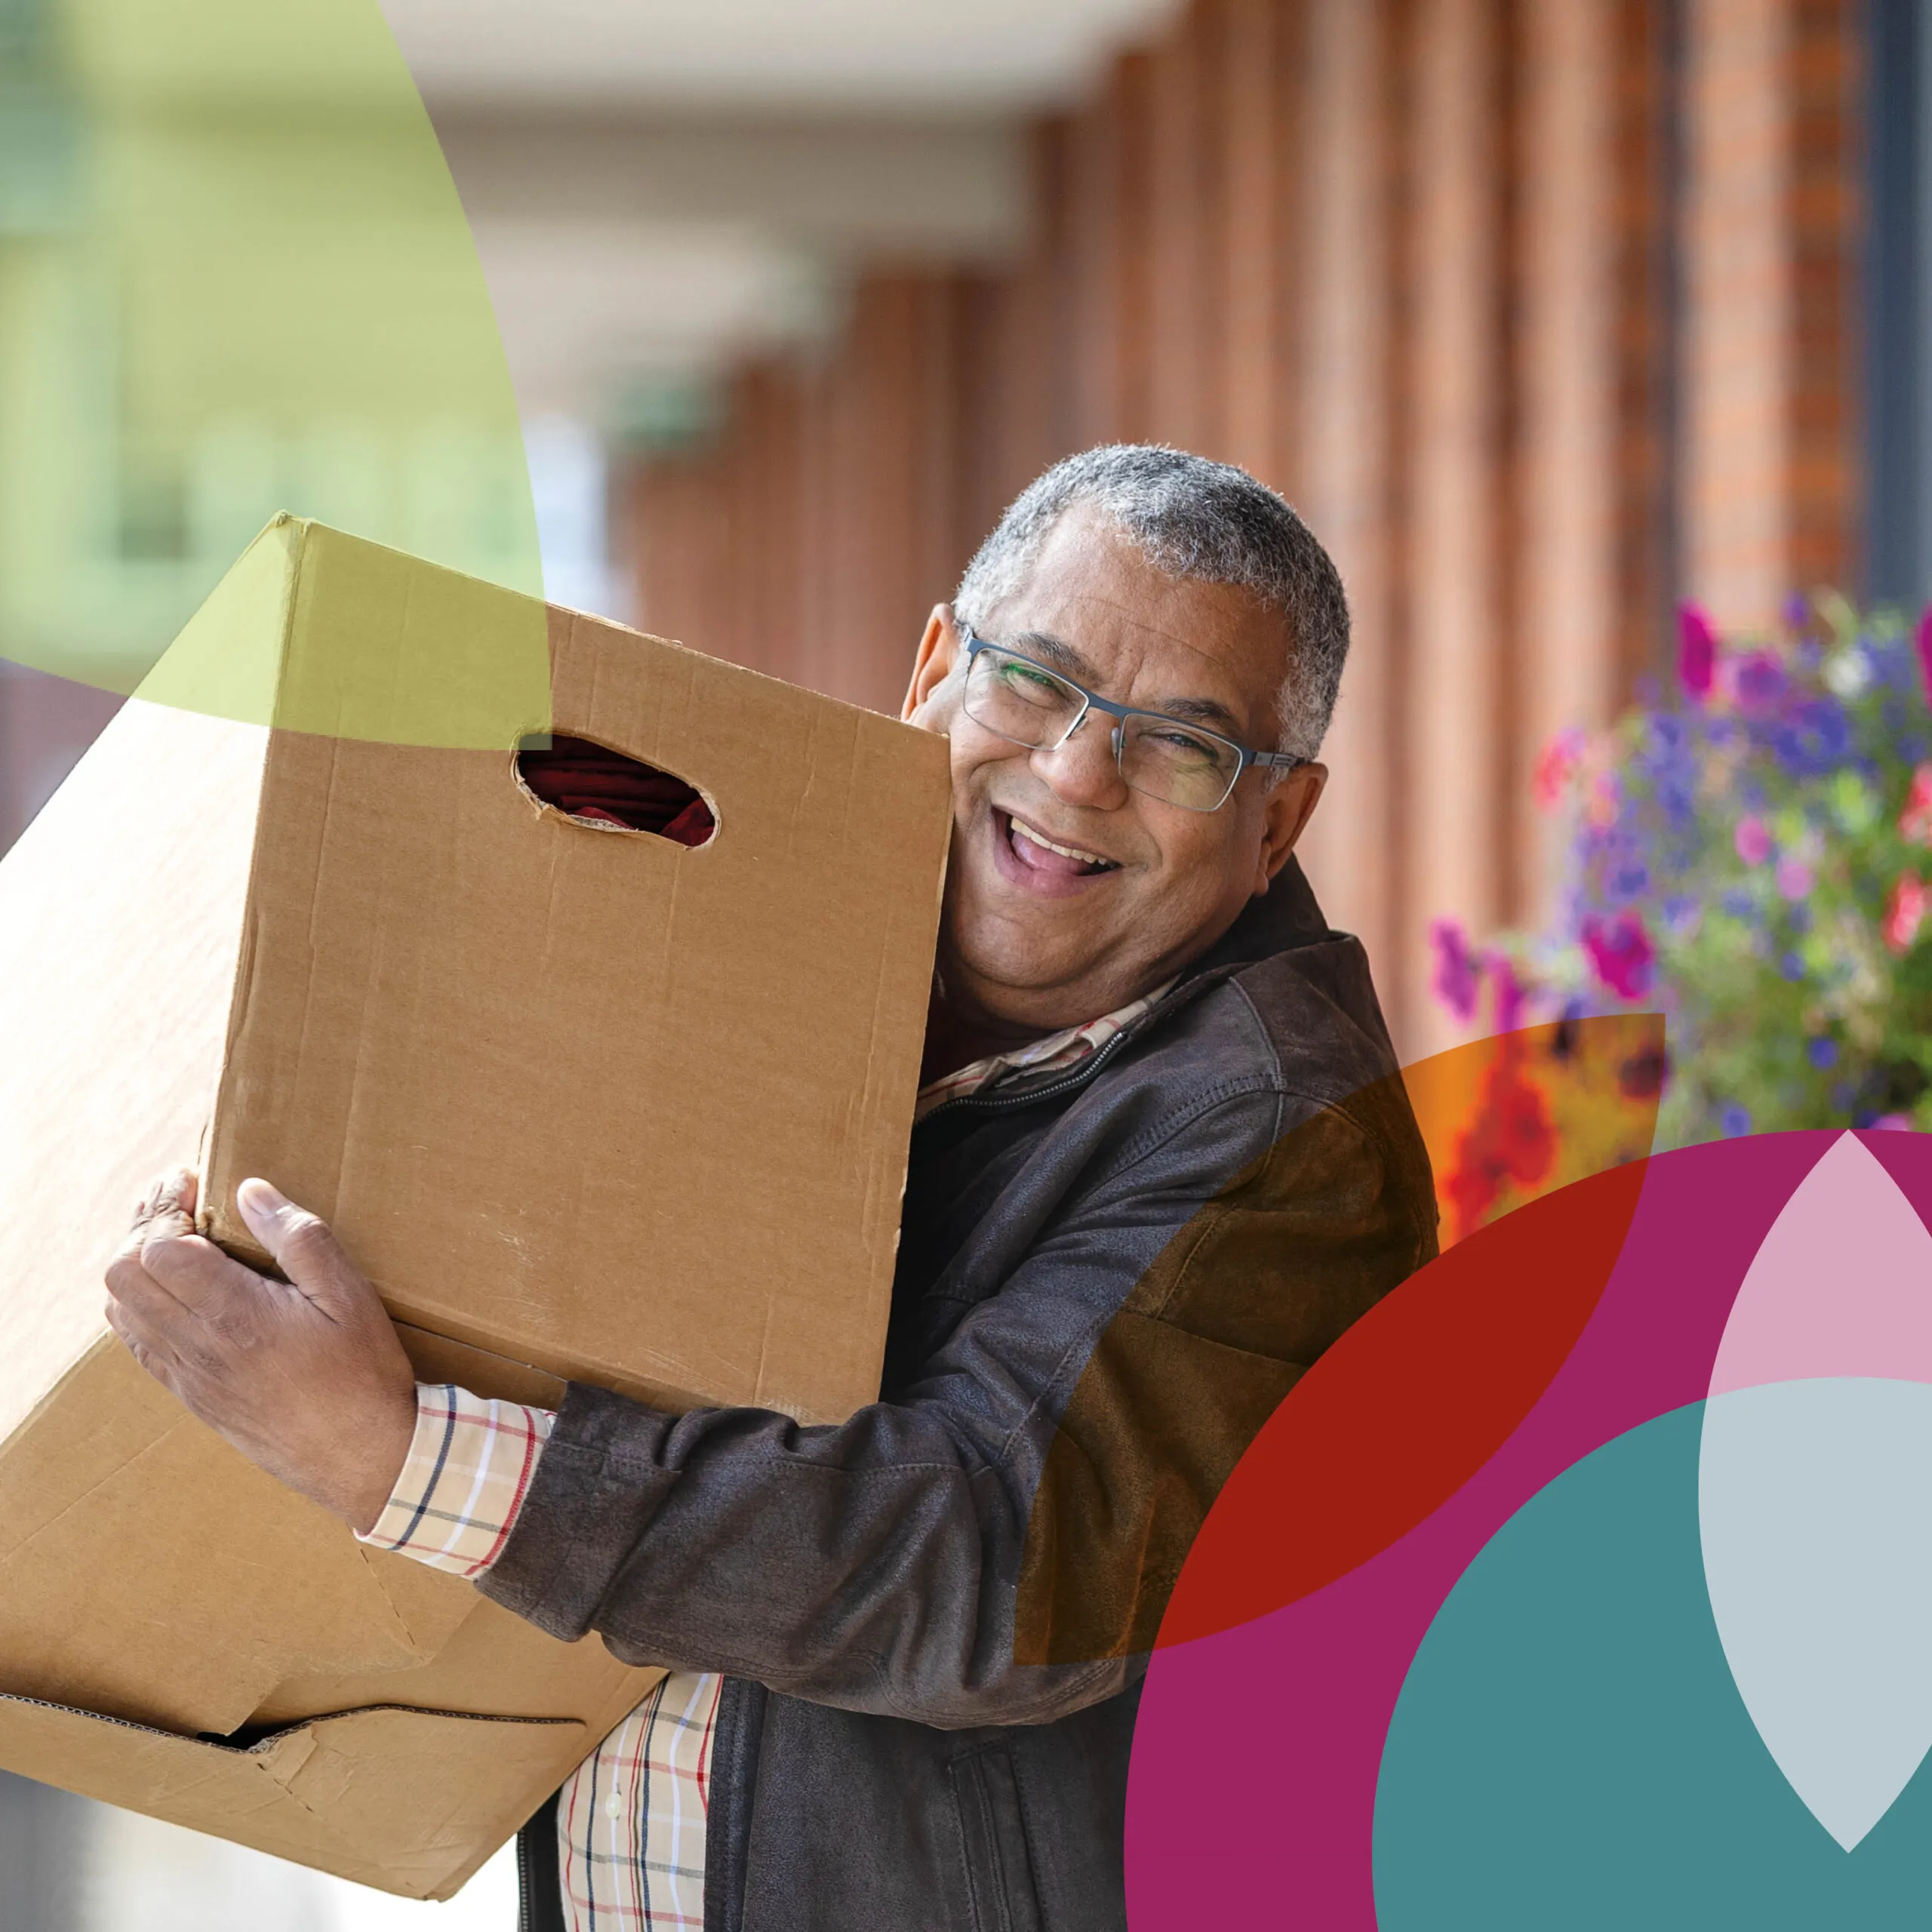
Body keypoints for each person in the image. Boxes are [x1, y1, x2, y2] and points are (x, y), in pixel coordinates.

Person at [105, 445, 1438, 1932]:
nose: (1074, 773)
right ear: (934, 670)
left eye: (1181, 745)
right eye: (1033, 682)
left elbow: (993, 1571)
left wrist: (396, 1453)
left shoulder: (1287, 1139)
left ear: (1277, 821)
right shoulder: (770, 939)